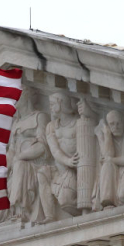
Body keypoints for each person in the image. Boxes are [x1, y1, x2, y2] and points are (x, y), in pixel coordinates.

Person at [6, 91, 50, 222]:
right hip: (18, 166)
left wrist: (20, 156)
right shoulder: (15, 124)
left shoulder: (40, 117)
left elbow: (43, 146)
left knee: (20, 165)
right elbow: (11, 152)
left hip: (35, 164)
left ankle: (21, 208)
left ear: (26, 97)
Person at [37, 92, 79, 223]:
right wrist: (68, 161)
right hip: (60, 169)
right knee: (42, 173)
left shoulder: (78, 123)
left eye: (52, 104)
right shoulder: (51, 127)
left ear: (62, 104)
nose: (49, 107)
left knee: (66, 201)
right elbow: (54, 151)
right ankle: (49, 215)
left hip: (75, 172)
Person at [93, 110, 124, 209]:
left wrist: (112, 160)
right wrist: (106, 135)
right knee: (107, 166)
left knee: (122, 195)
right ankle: (108, 203)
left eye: (118, 123)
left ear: (123, 122)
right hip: (111, 172)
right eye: (112, 124)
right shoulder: (107, 135)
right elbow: (107, 154)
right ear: (108, 126)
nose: (116, 127)